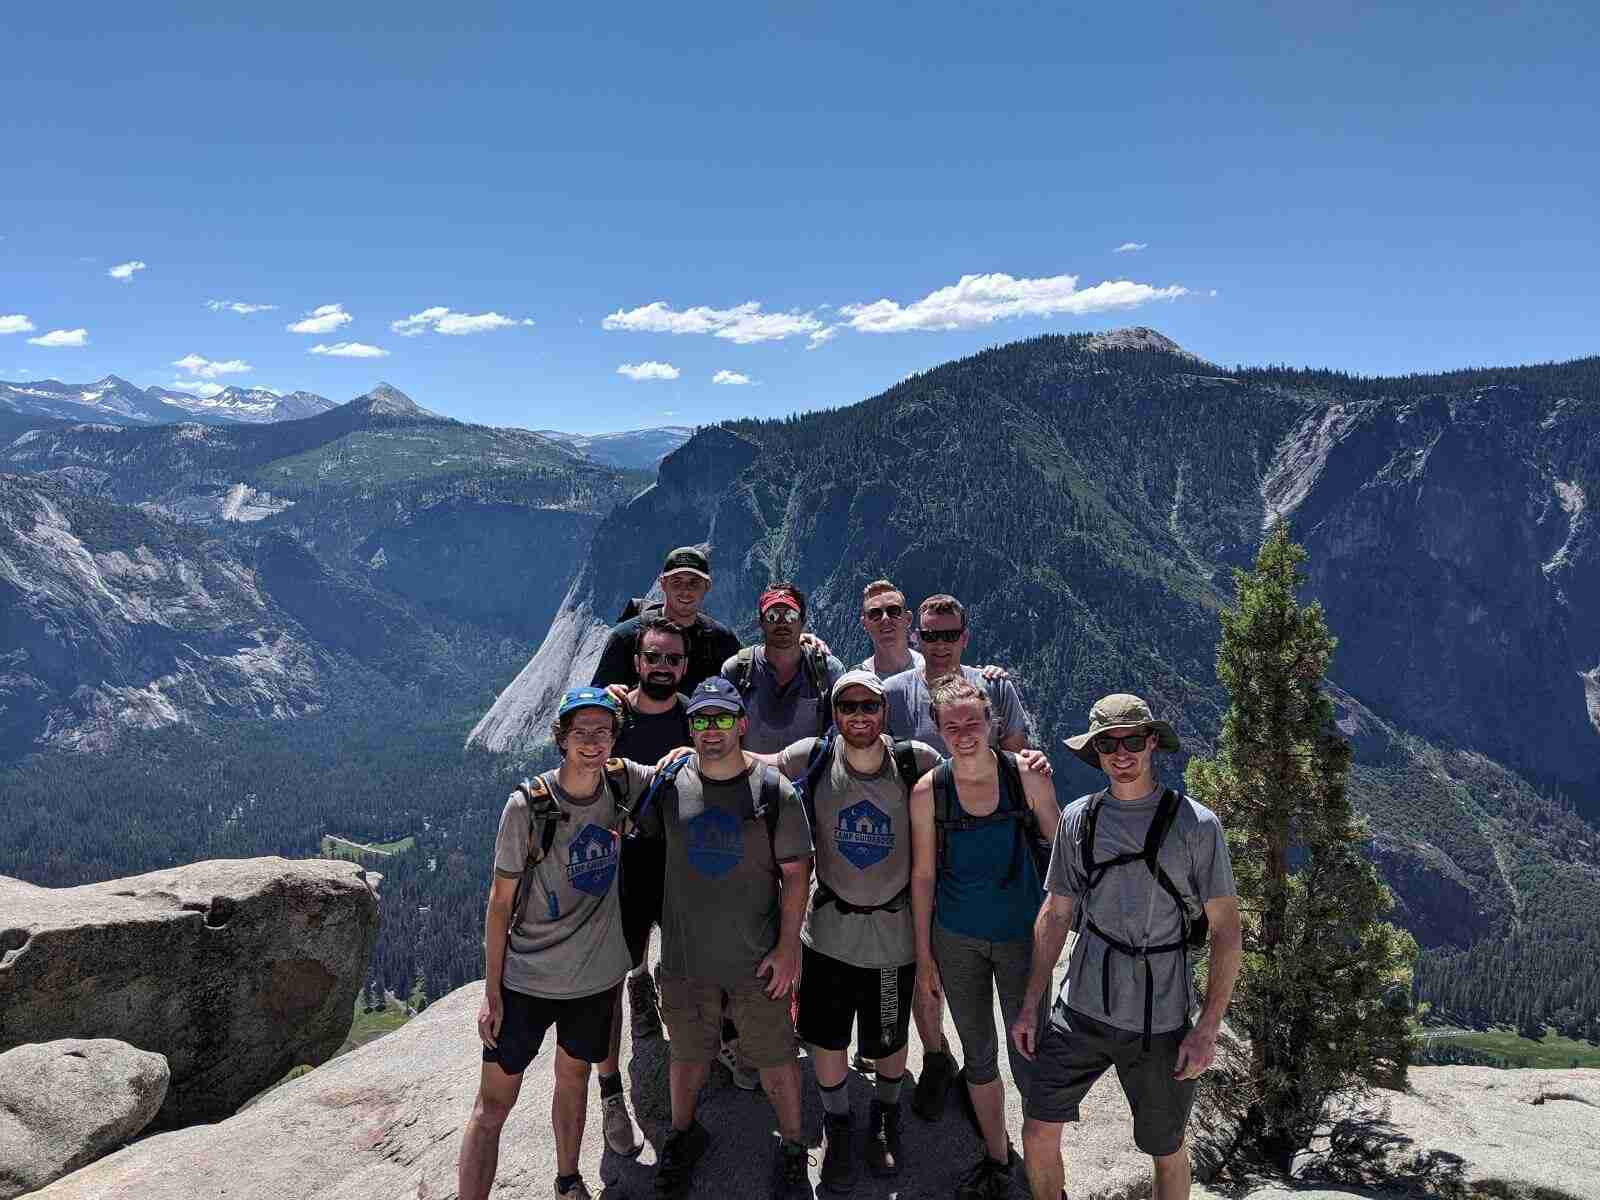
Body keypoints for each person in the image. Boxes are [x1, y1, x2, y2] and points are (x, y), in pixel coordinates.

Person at [1014, 695, 1242, 1200]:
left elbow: (1227, 930)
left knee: (1167, 1147)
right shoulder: (1079, 819)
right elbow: (1056, 913)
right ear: (1095, 751)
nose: (1121, 753)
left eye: (1132, 740)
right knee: (1037, 1128)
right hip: (1080, 1009)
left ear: (1152, 742)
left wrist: (1207, 1028)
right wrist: (1031, 1004)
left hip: (1160, 1020)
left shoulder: (1196, 825)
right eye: (1107, 744)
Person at [748, 669, 942, 1191]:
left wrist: (1022, 764)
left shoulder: (915, 762)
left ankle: (883, 1116)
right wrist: (689, 753)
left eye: (868, 706)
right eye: (847, 706)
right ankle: (839, 1124)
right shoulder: (813, 756)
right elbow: (756, 763)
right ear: (834, 714)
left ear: (884, 711)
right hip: (829, 933)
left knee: (889, 1037)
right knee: (827, 1039)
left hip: (893, 937)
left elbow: (970, 775)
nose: (859, 715)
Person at [459, 687, 656, 1200]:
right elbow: (499, 903)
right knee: (493, 1105)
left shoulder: (622, 781)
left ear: (614, 737)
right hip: (527, 980)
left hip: (592, 981)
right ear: (562, 739)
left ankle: (568, 1180)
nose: (592, 742)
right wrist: (491, 992)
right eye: (580, 732)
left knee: (574, 1079)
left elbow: (685, 769)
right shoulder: (528, 806)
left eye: (602, 731)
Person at [634, 677, 816, 1200]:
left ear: (741, 725)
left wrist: (788, 949)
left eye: (721, 719)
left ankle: (792, 1146)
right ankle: (683, 1135)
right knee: (688, 1055)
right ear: (690, 727)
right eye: (701, 719)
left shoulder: (773, 790)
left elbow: (797, 873)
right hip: (686, 959)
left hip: (756, 958)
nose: (711, 729)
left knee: (776, 1057)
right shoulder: (670, 783)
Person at [909, 676, 1061, 1200]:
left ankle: (1043, 1168)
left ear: (993, 723)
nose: (964, 733)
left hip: (1022, 938)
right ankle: (997, 1159)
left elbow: (1061, 852)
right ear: (938, 730)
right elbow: (923, 876)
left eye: (973, 721)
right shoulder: (929, 791)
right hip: (956, 939)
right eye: (952, 726)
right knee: (978, 1055)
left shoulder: (1027, 777)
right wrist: (924, 957)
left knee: (1029, 1053)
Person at [597, 616, 693, 1094]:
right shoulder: (610, 716)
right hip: (624, 865)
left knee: (690, 961)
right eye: (652, 656)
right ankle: (610, 1088)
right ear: (635, 661)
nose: (662, 666)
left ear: (684, 666)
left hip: (681, 865)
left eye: (672, 659)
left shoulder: (697, 717)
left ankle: (708, 1041)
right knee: (613, 972)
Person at [882, 595, 1031, 757]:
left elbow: (1018, 759)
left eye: (950, 636)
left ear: (964, 638)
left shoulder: (997, 687)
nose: (940, 644)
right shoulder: (892, 693)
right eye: (930, 636)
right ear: (918, 639)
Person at [591, 546, 741, 693]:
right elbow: (597, 698)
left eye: (694, 582)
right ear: (663, 584)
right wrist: (605, 694)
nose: (685, 590)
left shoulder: (722, 640)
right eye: (677, 582)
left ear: (707, 586)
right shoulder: (626, 638)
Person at [722, 582, 846, 754]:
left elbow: (841, 734)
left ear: (802, 621)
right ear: (761, 623)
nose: (782, 622)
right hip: (751, 770)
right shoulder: (736, 670)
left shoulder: (827, 670)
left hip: (810, 771)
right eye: (772, 616)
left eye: (790, 615)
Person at [857, 579, 924, 678]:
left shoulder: (930, 671)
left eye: (894, 611)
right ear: (865, 624)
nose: (885, 618)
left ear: (908, 619)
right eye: (875, 614)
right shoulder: (859, 679)